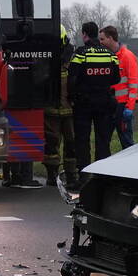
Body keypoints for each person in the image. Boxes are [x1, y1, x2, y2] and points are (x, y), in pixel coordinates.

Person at [69, 21, 119, 177]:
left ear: (84, 34)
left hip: (83, 104)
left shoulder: (81, 54)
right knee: (103, 140)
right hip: (104, 102)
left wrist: (72, 98)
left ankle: (84, 175)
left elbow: (72, 79)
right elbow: (116, 79)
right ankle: (101, 175)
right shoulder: (110, 55)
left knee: (82, 140)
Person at [43, 25, 78, 188]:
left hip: (69, 110)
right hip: (52, 109)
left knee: (71, 143)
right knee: (51, 144)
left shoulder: (72, 58)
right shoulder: (45, 58)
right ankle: (52, 175)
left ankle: (71, 175)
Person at [98, 25, 138, 149]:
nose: (100, 42)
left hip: (122, 106)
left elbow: (133, 83)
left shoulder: (127, 56)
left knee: (126, 142)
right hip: (109, 105)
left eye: (102, 39)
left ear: (110, 38)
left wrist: (130, 107)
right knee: (103, 140)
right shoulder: (105, 56)